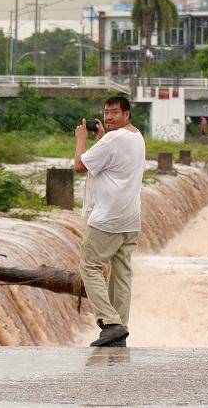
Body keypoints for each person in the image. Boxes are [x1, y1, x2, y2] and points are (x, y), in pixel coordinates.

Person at [74, 96, 146, 347]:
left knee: (90, 267)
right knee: (121, 274)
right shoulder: (136, 137)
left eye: (115, 112)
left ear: (127, 114)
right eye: (106, 112)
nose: (109, 117)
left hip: (108, 218)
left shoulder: (114, 139)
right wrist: (102, 139)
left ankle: (111, 323)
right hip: (130, 217)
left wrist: (81, 139)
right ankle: (120, 330)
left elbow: (80, 166)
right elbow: (110, 162)